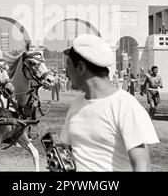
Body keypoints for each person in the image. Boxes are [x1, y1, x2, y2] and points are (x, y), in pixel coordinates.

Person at [60, 34, 159, 171]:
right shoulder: (77, 104)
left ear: (81, 68)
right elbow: (66, 149)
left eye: (69, 66)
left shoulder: (126, 106)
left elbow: (142, 165)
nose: (66, 73)